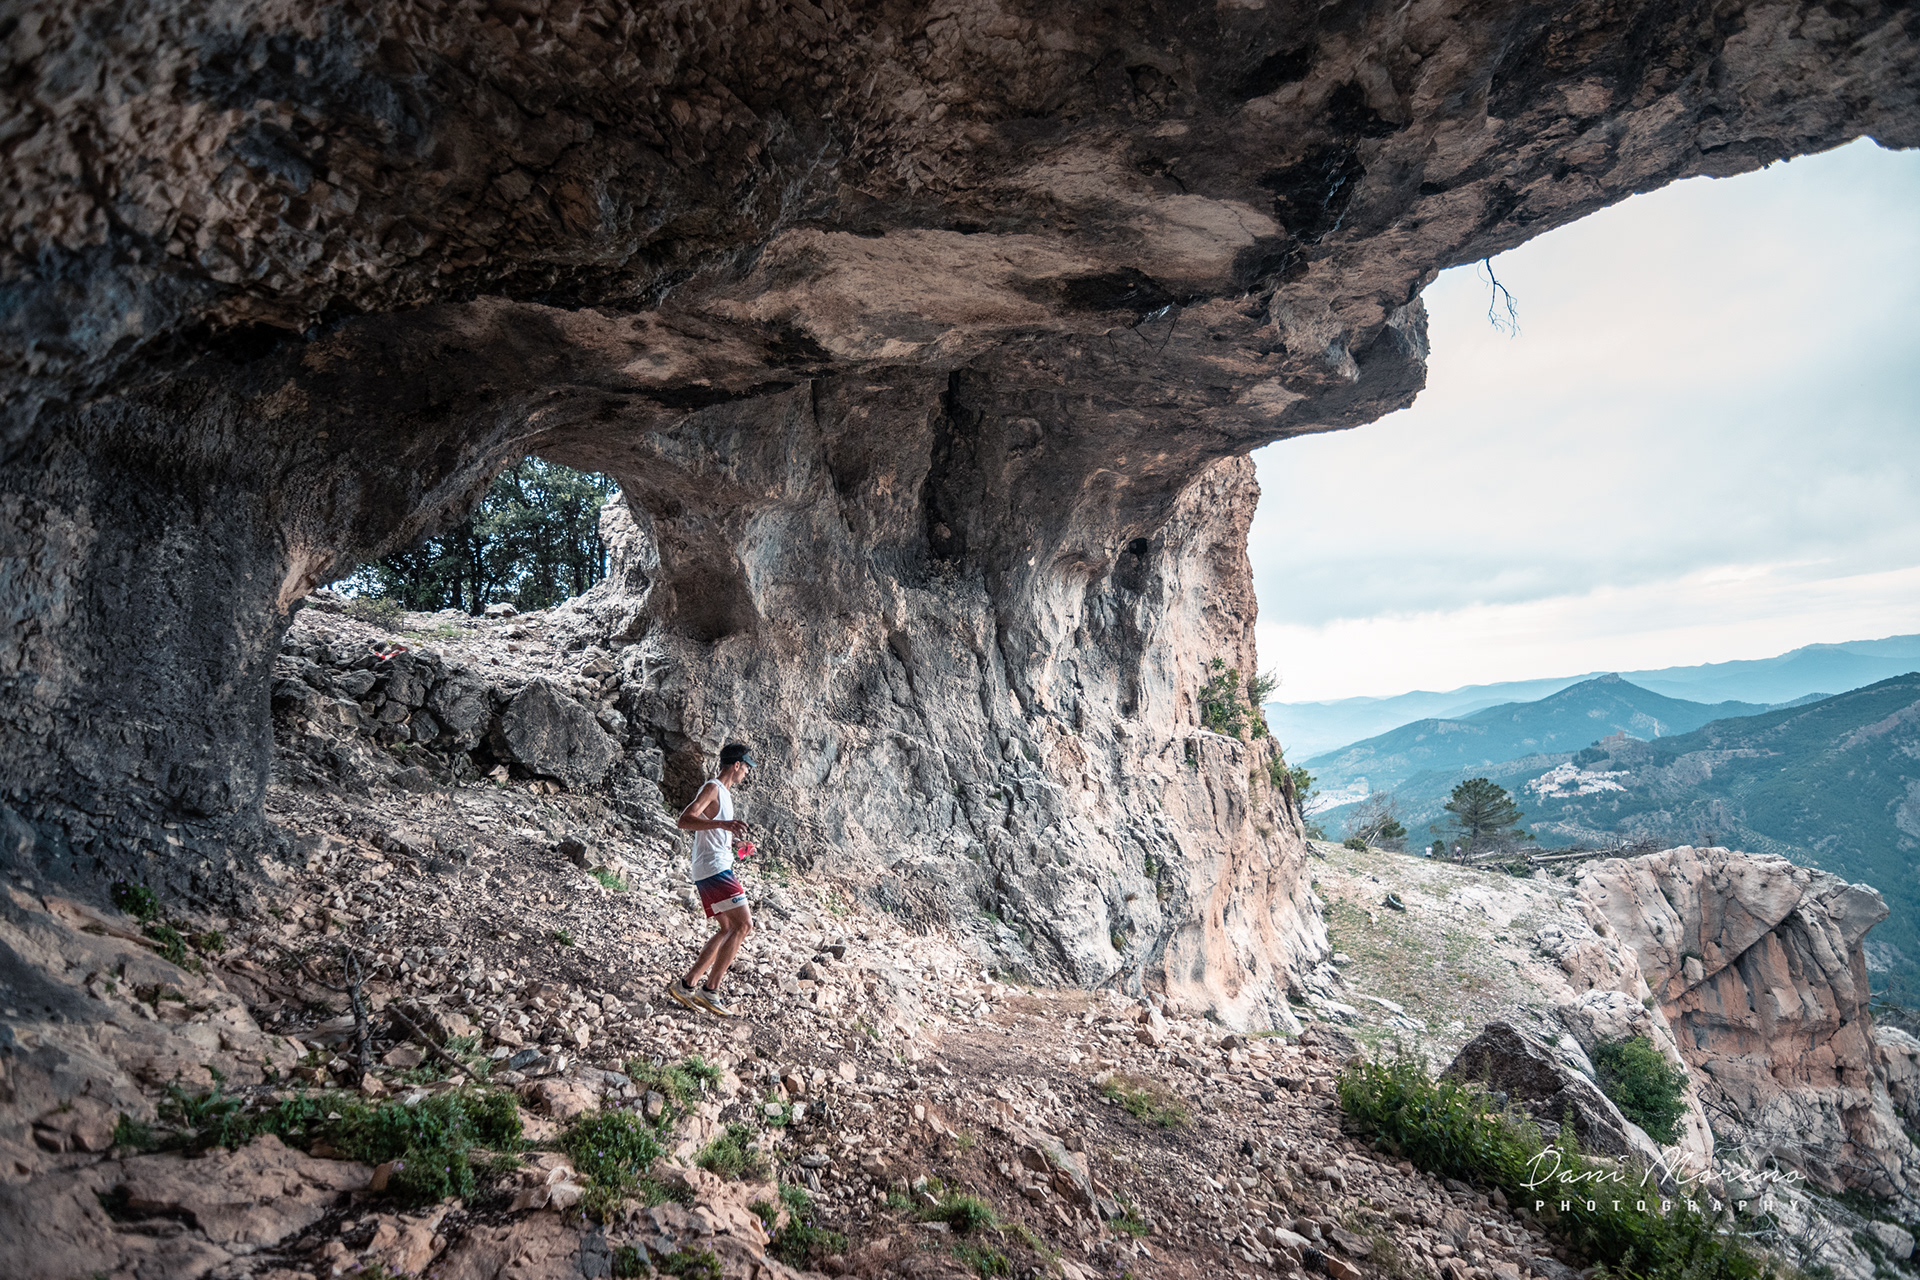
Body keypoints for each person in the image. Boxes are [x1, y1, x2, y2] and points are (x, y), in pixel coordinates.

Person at [666, 743, 756, 1016]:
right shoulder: (713, 788)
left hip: (715, 865)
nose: (747, 773)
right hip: (713, 868)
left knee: (727, 928)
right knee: (744, 925)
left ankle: (687, 985)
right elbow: (684, 820)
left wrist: (735, 842)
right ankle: (710, 990)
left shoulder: (724, 793)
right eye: (746, 767)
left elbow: (714, 831)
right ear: (736, 765)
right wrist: (723, 824)